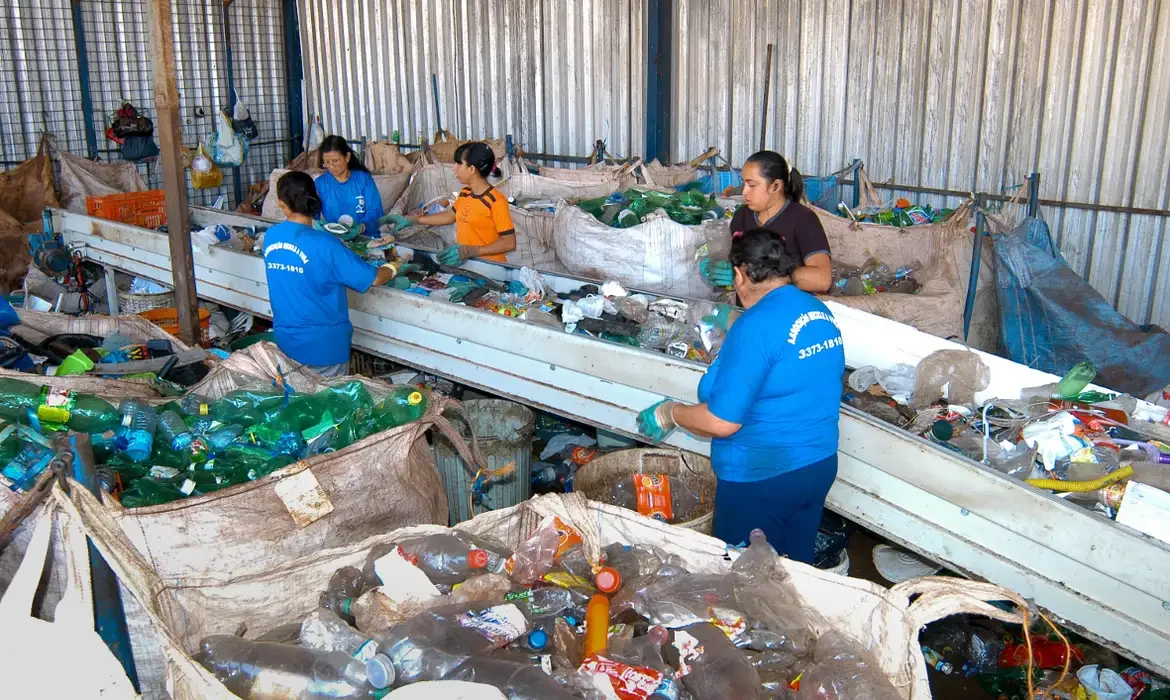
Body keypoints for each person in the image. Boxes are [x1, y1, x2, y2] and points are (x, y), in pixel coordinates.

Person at [637, 229, 844, 562]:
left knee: (742, 579)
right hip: (817, 467)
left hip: (762, 478)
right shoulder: (818, 311)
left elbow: (722, 422)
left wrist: (670, 413)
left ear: (740, 274)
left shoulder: (755, 328)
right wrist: (735, 320)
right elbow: (786, 354)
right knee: (794, 573)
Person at [263, 171, 414, 377]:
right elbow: (374, 278)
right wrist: (395, 266)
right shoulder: (326, 245)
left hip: (286, 344)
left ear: (282, 205)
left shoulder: (271, 237)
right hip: (325, 348)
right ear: (315, 197)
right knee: (327, 397)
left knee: (296, 394)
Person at [700, 151, 832, 294]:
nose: (744, 192)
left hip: (786, 305)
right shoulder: (742, 216)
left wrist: (760, 275)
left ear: (776, 186)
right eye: (744, 183)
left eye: (752, 185)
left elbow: (822, 280)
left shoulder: (803, 219)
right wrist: (722, 269)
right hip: (748, 304)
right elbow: (737, 262)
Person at [408, 141, 516, 265]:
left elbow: (509, 242)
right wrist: (414, 220)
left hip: (489, 268)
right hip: (467, 264)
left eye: (459, 163)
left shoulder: (496, 201)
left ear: (472, 169)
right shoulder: (465, 193)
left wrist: (471, 251)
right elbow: (449, 216)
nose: (454, 167)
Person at [314, 135, 385, 237]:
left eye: (335, 161)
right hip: (337, 240)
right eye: (327, 162)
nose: (331, 166)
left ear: (347, 157)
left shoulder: (363, 179)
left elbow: (376, 211)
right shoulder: (320, 184)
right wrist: (316, 225)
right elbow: (312, 215)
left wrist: (362, 227)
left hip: (366, 238)